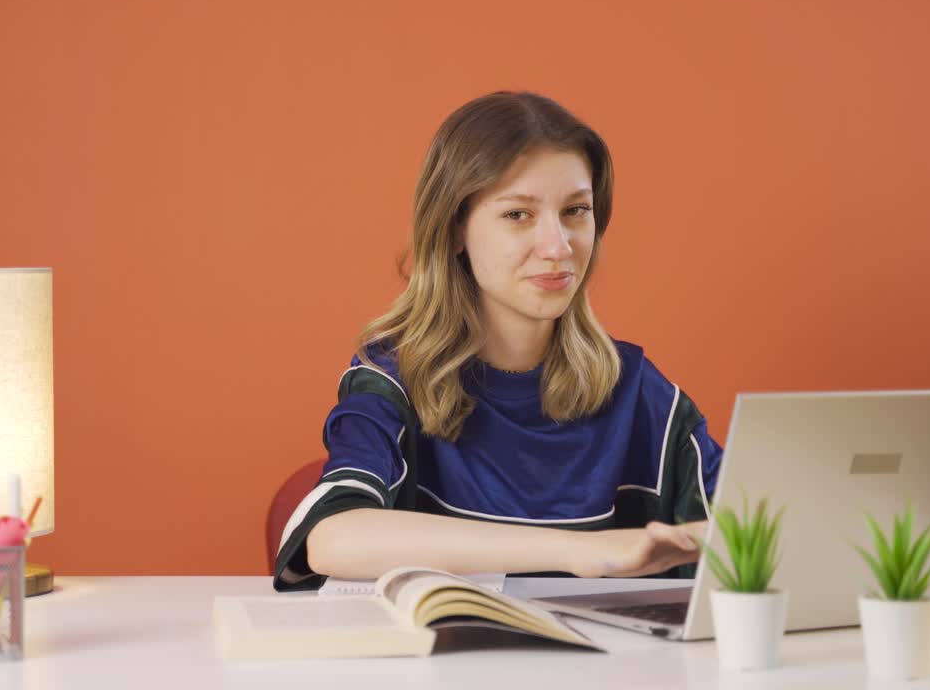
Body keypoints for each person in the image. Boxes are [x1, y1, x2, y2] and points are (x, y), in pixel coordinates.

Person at [273, 91, 723, 592]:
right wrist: (585, 552)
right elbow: (333, 538)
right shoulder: (390, 379)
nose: (558, 246)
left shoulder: (637, 389)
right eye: (517, 215)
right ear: (454, 230)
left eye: (576, 210)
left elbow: (749, 530)